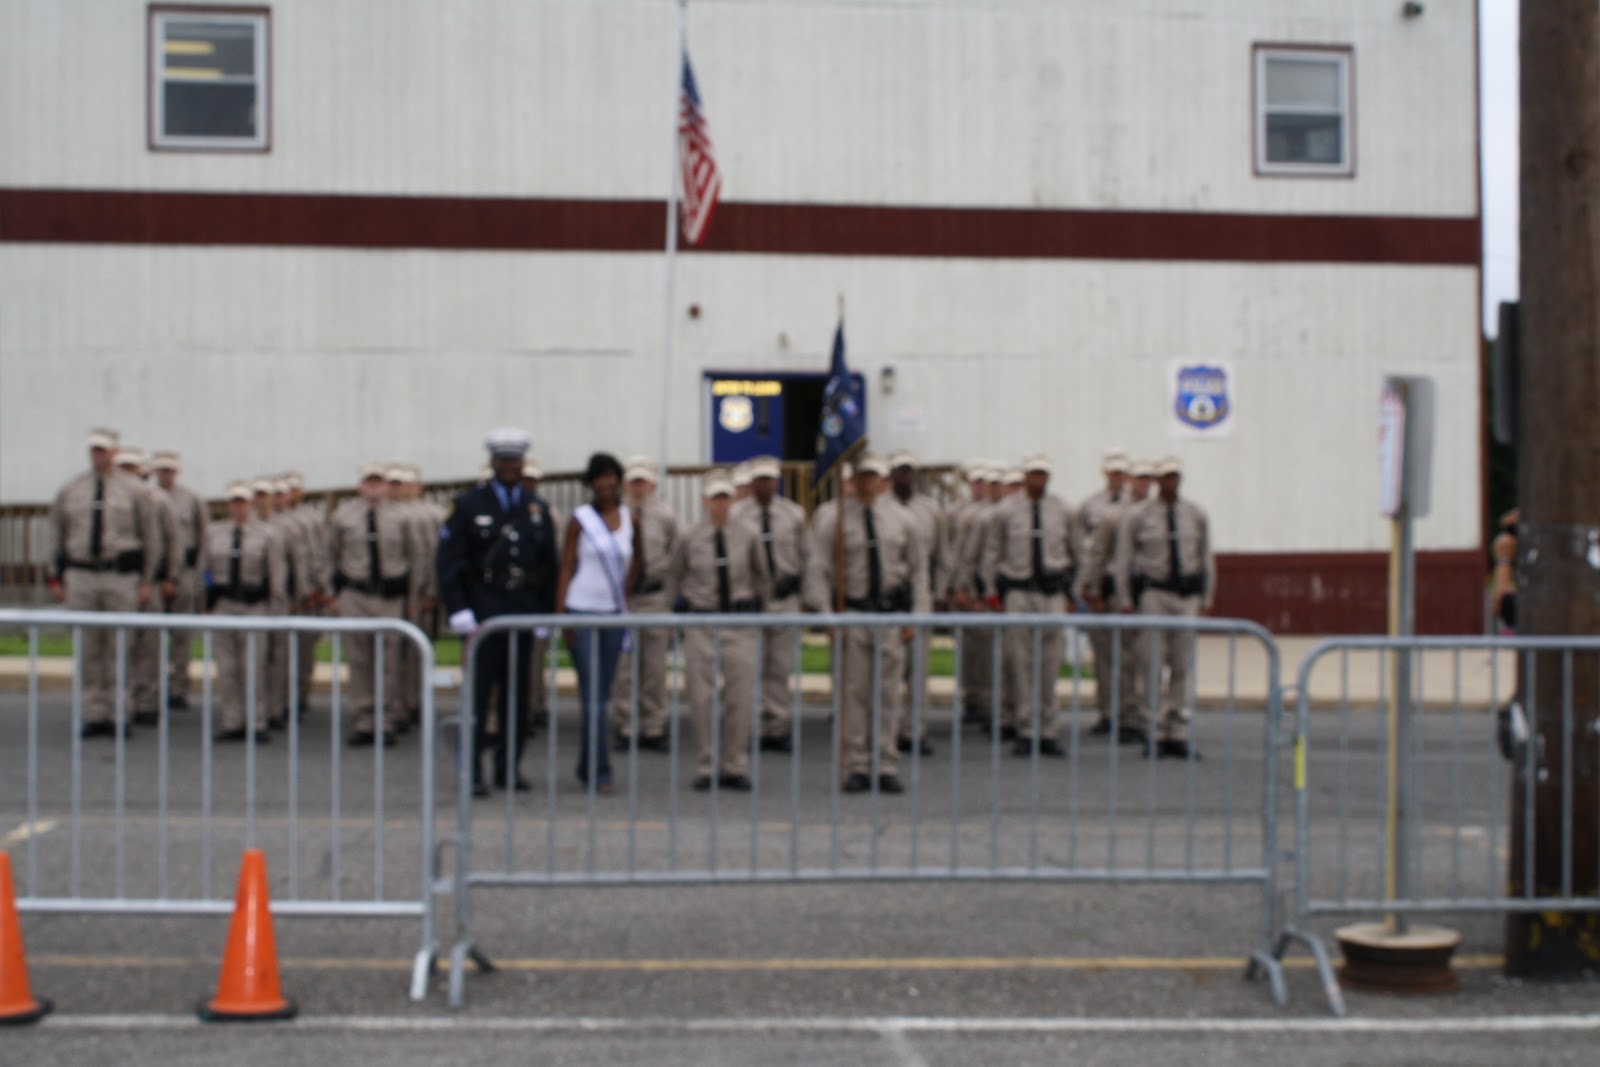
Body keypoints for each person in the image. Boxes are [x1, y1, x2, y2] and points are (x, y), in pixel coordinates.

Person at [437, 430, 561, 796]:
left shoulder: (535, 507)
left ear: (522, 464)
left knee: (517, 698)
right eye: (503, 460)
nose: (509, 466)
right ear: (493, 463)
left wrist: (545, 614)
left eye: (515, 460)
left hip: (521, 609)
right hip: (483, 612)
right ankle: (472, 771)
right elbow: (448, 563)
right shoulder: (467, 505)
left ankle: (509, 767)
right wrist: (459, 610)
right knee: (477, 698)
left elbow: (548, 566)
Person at [808, 454, 931, 794]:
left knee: (888, 694)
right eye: (861, 477)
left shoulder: (904, 519)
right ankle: (857, 764)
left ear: (883, 481)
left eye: (873, 477)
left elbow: (919, 571)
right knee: (854, 695)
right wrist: (828, 616)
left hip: (890, 616)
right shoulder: (833, 518)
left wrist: (917, 617)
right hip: (854, 615)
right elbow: (819, 569)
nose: (867, 483)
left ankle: (886, 762)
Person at [48, 429, 163, 738]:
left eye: (102, 450)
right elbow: (58, 533)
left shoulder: (136, 490)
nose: (97, 455)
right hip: (82, 575)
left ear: (114, 451)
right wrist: (55, 576)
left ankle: (120, 713)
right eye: (93, 450)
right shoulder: (72, 489)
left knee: (119, 647)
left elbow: (150, 538)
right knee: (89, 648)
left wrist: (147, 580)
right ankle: (93, 712)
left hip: (120, 576)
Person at [670, 470, 770, 791]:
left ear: (733, 500)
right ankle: (706, 764)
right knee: (701, 698)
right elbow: (676, 575)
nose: (721, 504)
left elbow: (762, 575)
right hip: (702, 622)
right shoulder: (689, 536)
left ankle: (734, 764)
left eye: (726, 498)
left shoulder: (749, 533)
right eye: (715, 498)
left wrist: (757, 610)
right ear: (704, 501)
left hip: (738, 623)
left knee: (740, 697)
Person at [1110, 456, 1215, 760]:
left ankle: (1178, 731)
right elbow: (1124, 559)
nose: (1171, 482)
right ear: (1157, 481)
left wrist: (1206, 597)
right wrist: (1125, 599)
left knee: (1183, 665)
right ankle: (1153, 730)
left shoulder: (1195, 514)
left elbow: (1205, 556)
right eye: (1166, 478)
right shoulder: (1139, 516)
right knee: (1152, 664)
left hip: (1185, 596)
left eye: (1175, 477)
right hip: (1154, 594)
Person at [556, 452, 642, 794]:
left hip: (612, 613)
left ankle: (586, 765)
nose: (605, 484)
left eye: (610, 477)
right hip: (581, 609)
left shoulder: (631, 517)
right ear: (591, 483)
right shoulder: (580, 519)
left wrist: (626, 596)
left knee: (602, 695)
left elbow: (638, 561)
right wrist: (560, 614)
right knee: (592, 694)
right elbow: (566, 566)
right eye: (598, 478)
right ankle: (601, 770)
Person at [981, 453, 1078, 758]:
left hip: (1051, 593)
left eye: (1043, 475)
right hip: (1019, 592)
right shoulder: (1006, 511)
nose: (1039, 480)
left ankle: (1048, 728)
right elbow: (992, 552)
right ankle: (1025, 728)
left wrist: (1073, 592)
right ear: (1025, 477)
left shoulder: (1063, 510)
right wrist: (990, 590)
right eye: (1034, 474)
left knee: (1049, 664)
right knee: (1020, 663)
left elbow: (1078, 553)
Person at [327, 463, 428, 747]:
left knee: (389, 661)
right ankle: (363, 719)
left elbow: (415, 558)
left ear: (385, 486)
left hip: (389, 595)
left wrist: (414, 598)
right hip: (356, 593)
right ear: (360, 486)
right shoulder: (343, 516)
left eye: (378, 482)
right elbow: (331, 554)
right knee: (359, 660)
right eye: (368, 482)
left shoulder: (403, 517)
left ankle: (386, 719)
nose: (373, 487)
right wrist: (334, 595)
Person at [731, 455, 816, 752]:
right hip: (753, 600)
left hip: (784, 598)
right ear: (752, 483)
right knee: (751, 666)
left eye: (770, 479)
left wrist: (808, 597)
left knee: (779, 667)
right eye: (760, 480)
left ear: (777, 481)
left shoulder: (793, 515)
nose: (765, 485)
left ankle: (777, 726)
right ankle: (753, 725)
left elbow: (808, 557)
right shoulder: (738, 515)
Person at [198, 481, 287, 743]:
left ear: (251, 504)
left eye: (243, 502)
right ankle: (232, 720)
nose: (239, 507)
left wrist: (274, 610)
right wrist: (206, 599)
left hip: (254, 605)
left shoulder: (268, 534)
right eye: (234, 502)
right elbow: (205, 569)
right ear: (228, 505)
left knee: (253, 667)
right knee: (227, 668)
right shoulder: (214, 533)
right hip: (224, 604)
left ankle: (257, 721)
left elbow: (276, 575)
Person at [1078, 459, 1156, 742]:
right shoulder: (1112, 515)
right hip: (1115, 592)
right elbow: (1097, 554)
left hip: (1145, 592)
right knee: (1114, 660)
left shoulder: (1156, 515)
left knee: (1144, 658)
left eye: (1148, 479)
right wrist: (1093, 589)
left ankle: (1140, 714)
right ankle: (1116, 713)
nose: (1143, 484)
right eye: (1138, 478)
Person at [606, 456, 679, 750]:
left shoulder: (666, 515)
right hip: (625, 598)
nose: (638, 487)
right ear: (624, 484)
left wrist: (671, 603)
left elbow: (676, 559)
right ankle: (624, 725)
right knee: (623, 669)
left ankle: (653, 726)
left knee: (654, 668)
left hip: (655, 597)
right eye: (633, 481)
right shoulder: (614, 514)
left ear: (652, 484)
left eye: (643, 481)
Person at [115, 447, 183, 728]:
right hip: (120, 580)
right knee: (120, 646)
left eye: (132, 468)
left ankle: (147, 702)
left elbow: (173, 540)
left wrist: (170, 577)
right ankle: (120, 704)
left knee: (149, 646)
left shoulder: (158, 499)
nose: (128, 473)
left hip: (150, 582)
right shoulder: (111, 500)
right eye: (123, 467)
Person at [887, 451, 947, 756]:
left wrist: (937, 596)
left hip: (919, 598)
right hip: (889, 603)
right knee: (889, 674)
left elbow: (940, 557)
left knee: (918, 673)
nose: (905, 477)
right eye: (900, 472)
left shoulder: (930, 510)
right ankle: (890, 730)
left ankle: (915, 731)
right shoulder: (882, 509)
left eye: (909, 472)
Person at [1073, 449, 1132, 736]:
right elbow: (1087, 548)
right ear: (1106, 473)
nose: (1118, 477)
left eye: (1122, 472)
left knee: (1132, 657)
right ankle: (1107, 712)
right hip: (1103, 588)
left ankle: (1132, 713)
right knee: (1105, 657)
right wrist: (1086, 586)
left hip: (1131, 591)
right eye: (1114, 472)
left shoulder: (1139, 507)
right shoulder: (1091, 506)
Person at [152, 450, 207, 712]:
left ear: (177, 471)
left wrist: (199, 575)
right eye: (161, 470)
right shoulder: (146, 497)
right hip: (154, 574)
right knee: (150, 636)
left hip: (184, 572)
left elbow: (203, 537)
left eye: (170, 470)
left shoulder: (192, 499)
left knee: (182, 636)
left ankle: (179, 688)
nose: (166, 474)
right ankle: (150, 689)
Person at [946, 461, 998, 727]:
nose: (981, 486)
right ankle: (972, 699)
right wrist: (958, 588)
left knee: (991, 654)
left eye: (985, 482)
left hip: (989, 592)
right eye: (976, 481)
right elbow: (958, 554)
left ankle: (991, 703)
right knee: (970, 652)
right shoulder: (957, 512)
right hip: (969, 590)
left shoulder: (995, 513)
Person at [520, 457, 565, 738]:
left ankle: (535, 705)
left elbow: (555, 559)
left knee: (535, 657)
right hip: (511, 594)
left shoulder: (548, 514)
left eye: (533, 480)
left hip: (536, 594)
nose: (529, 485)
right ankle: (519, 709)